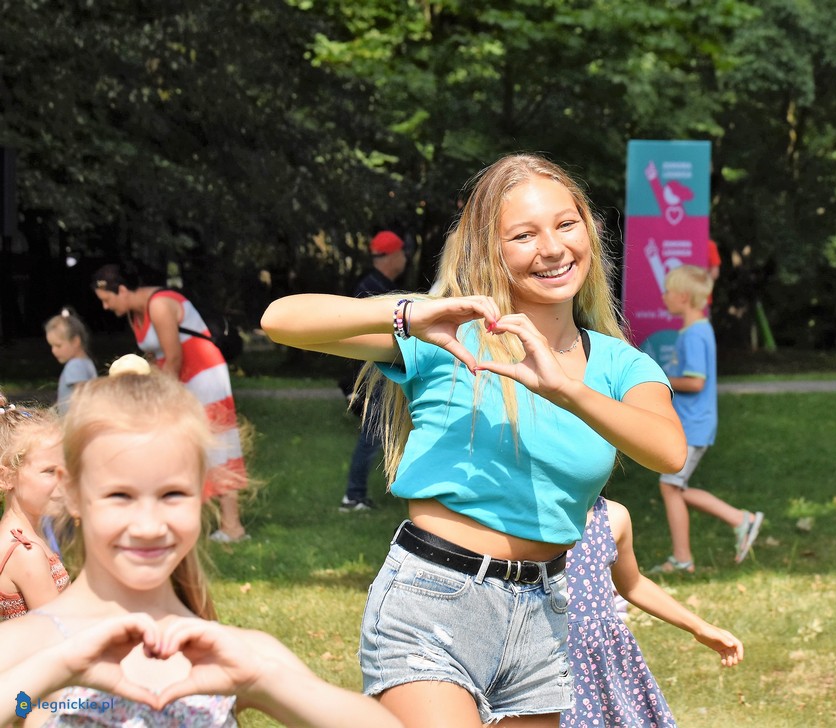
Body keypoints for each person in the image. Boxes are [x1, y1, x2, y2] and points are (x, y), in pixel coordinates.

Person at [261, 152, 687, 728]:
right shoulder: (450, 334)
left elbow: (667, 449)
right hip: (435, 599)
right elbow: (282, 319)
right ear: (491, 249)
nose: (554, 248)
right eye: (524, 235)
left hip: (543, 614)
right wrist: (409, 314)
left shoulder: (618, 364)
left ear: (589, 228)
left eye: (566, 224)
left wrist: (567, 390)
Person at [0, 356, 402, 728]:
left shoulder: (237, 655)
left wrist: (265, 680)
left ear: (202, 494)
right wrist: (54, 672)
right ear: (71, 494)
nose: (148, 525)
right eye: (119, 496)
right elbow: (22, 704)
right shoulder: (28, 644)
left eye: (172, 494)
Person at [90, 263, 248, 543]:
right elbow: (155, 358)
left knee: (216, 444)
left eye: (107, 299)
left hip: (203, 376)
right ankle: (191, 520)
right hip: (180, 380)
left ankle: (233, 526)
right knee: (187, 445)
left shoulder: (160, 304)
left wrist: (162, 401)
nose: (104, 307)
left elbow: (174, 358)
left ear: (123, 290)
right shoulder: (134, 314)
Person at [561, 496, 743, 728]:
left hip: (602, 660)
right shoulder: (519, 518)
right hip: (545, 657)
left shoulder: (613, 516)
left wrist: (700, 627)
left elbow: (633, 584)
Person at [651, 265, 763, 574]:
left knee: (670, 487)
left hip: (693, 426)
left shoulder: (695, 334)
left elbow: (695, 382)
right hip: (691, 424)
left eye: (668, 290)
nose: (664, 296)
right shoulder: (695, 330)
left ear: (683, 297)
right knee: (675, 487)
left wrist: (661, 379)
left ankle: (684, 557)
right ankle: (740, 521)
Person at [338, 230, 408, 512]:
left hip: (380, 371)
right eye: (402, 252)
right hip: (377, 374)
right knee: (373, 434)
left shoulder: (376, 284)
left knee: (380, 432)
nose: (405, 258)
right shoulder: (373, 289)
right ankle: (353, 495)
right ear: (393, 256)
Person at [0, 398, 69, 621]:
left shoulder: (30, 537)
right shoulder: (25, 552)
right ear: (6, 477)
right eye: (49, 471)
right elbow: (62, 634)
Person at [44, 307, 98, 414]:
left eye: (58, 346)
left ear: (75, 341)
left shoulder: (75, 365)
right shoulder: (86, 363)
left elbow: (82, 401)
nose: (54, 351)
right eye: (52, 346)